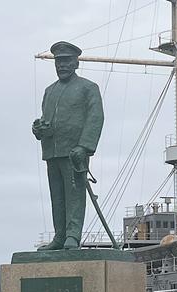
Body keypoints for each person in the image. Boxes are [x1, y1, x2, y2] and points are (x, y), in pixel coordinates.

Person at [33, 41, 104, 250]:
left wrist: (84, 146)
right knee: (57, 197)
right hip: (52, 152)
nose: (61, 65)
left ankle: (73, 235)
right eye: (58, 62)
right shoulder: (49, 91)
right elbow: (47, 120)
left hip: (74, 152)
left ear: (76, 64)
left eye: (66, 61)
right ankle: (60, 236)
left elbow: (96, 117)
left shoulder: (88, 88)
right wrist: (39, 129)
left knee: (74, 195)